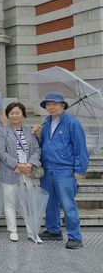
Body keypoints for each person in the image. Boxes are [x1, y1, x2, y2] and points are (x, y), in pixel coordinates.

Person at [34, 92, 89, 249]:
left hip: (64, 169)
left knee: (68, 203)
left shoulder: (72, 123)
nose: (50, 107)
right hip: (47, 167)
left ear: (63, 106)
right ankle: (53, 230)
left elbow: (80, 148)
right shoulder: (46, 122)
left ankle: (75, 237)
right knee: (49, 202)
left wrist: (79, 169)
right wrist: (38, 135)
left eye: (54, 104)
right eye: (48, 105)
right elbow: (45, 143)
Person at [0, 102, 42, 243]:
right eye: (12, 113)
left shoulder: (29, 131)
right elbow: (1, 152)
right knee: (9, 201)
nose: (15, 115)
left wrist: (29, 164)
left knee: (27, 202)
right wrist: (17, 165)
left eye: (18, 113)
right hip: (10, 171)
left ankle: (31, 231)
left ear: (23, 115)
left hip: (26, 171)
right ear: (8, 115)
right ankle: (13, 230)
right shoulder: (3, 131)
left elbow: (37, 150)